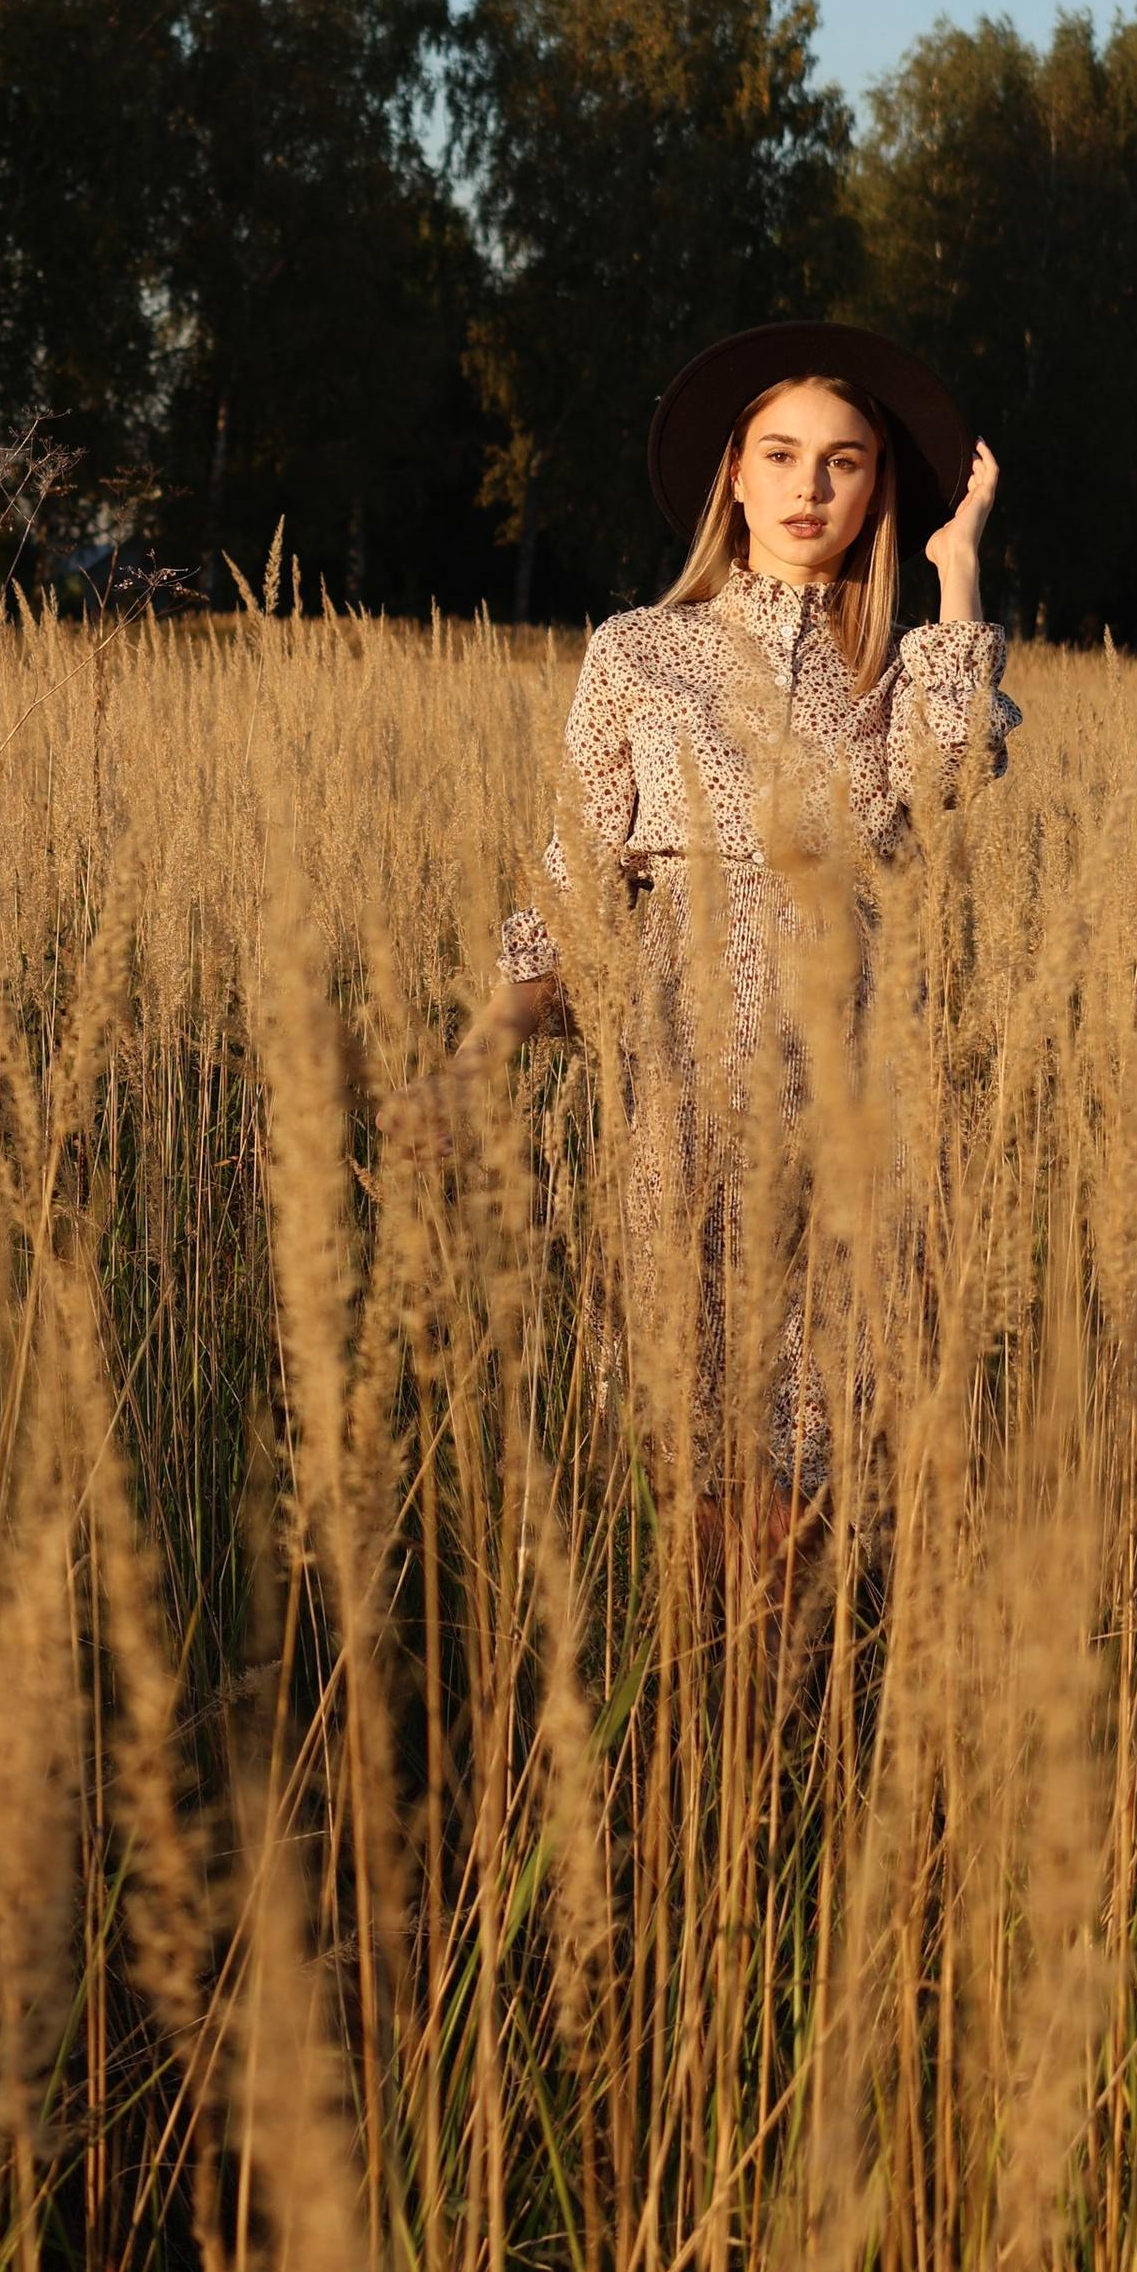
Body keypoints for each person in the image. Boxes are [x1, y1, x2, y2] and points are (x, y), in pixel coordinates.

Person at [433, 323, 1015, 1522]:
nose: (810, 487)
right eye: (782, 454)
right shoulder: (640, 653)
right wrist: (475, 1057)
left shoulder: (911, 671)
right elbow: (575, 878)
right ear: (733, 475)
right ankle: (695, 1694)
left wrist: (958, 569)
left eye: (845, 462)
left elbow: (954, 769)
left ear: (877, 490)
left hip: (859, 1105)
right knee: (694, 1459)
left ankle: (810, 1700)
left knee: (831, 1473)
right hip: (683, 1095)